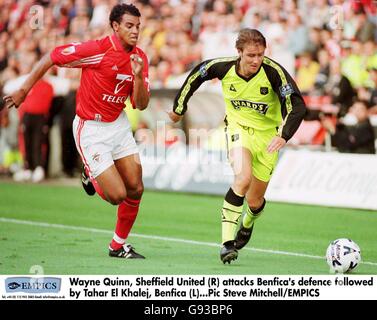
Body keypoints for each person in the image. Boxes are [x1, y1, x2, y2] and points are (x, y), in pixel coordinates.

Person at [3, 4, 150, 259]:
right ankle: (89, 173)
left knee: (136, 188)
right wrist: (24, 90)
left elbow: (141, 103)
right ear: (115, 26)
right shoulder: (97, 50)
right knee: (117, 195)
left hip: (118, 125)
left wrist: (138, 77)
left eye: (138, 26)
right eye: (129, 25)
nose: (135, 31)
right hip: (91, 129)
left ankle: (117, 246)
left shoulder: (140, 58)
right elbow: (52, 56)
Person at [168, 28, 306, 264]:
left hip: (268, 139)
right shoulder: (222, 67)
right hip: (237, 131)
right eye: (251, 55)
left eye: (260, 55)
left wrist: (284, 134)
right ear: (239, 52)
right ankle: (226, 244)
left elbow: (297, 105)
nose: (256, 60)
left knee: (254, 202)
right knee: (242, 179)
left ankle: (248, 222)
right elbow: (196, 76)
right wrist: (178, 108)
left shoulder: (274, 72)